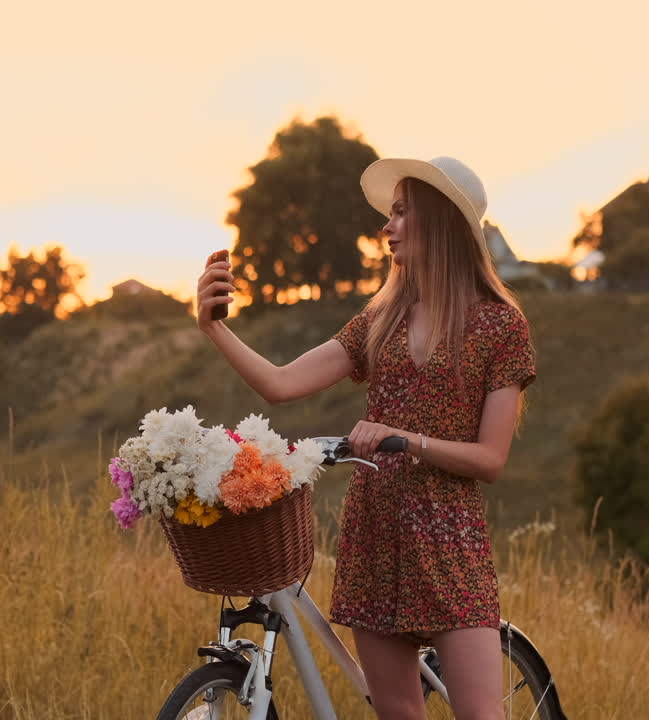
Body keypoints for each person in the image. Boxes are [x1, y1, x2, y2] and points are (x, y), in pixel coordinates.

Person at [195, 156, 536, 720]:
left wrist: (406, 438)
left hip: (450, 538)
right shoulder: (381, 319)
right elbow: (281, 383)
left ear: (442, 220)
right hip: (374, 532)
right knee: (398, 711)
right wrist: (214, 328)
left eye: (402, 212)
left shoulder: (501, 325)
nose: (388, 226)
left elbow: (491, 459)